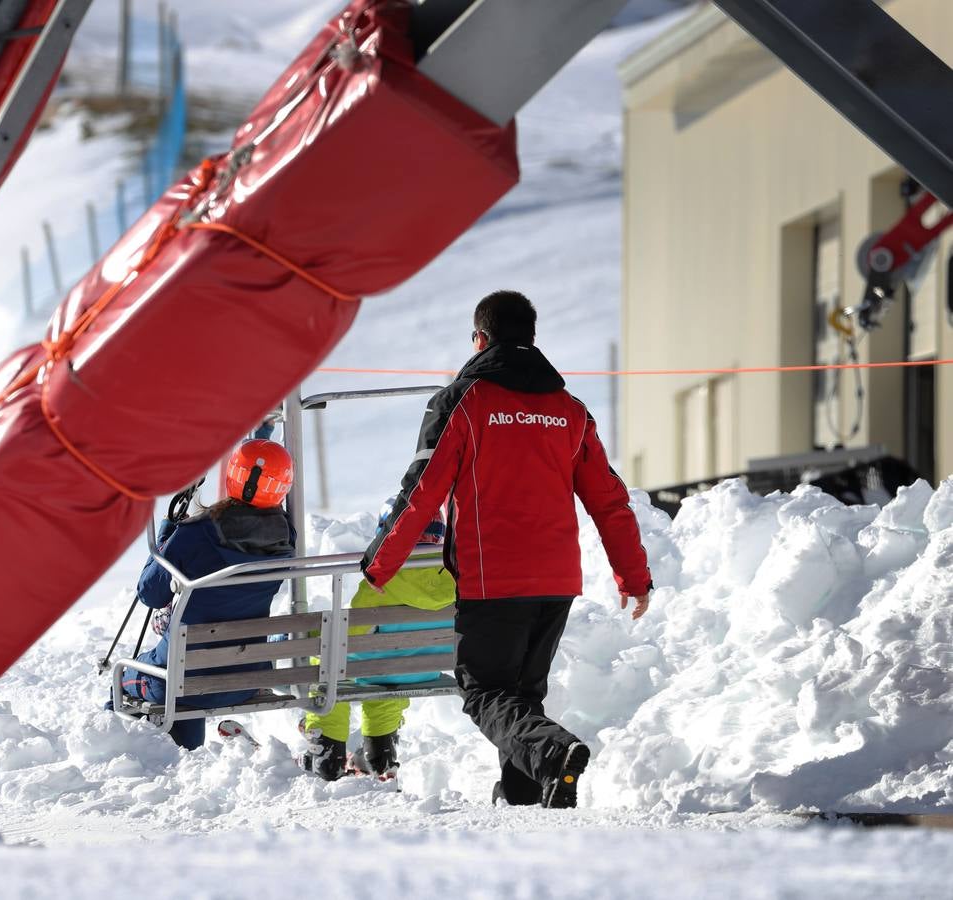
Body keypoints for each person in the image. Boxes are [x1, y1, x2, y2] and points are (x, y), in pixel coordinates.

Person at [360, 290, 651, 809]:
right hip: (556, 582)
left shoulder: (463, 401)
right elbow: (609, 500)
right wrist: (633, 576)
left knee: (484, 692)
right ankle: (525, 796)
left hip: (493, 578)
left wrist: (381, 563)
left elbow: (422, 488)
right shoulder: (569, 410)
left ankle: (552, 753)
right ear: (532, 338)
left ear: (480, 339)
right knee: (521, 696)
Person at [117, 439, 296, 750]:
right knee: (190, 674)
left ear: (232, 475)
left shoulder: (197, 533)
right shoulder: (286, 539)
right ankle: (184, 755)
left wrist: (166, 537)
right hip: (245, 679)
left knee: (123, 681)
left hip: (179, 682)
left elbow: (151, 593)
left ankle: (133, 756)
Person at [301, 501, 456, 782]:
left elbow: (353, 635)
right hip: (423, 671)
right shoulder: (455, 575)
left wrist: (313, 638)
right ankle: (379, 750)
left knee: (328, 663)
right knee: (388, 666)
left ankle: (328, 751)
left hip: (378, 667)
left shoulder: (383, 575)